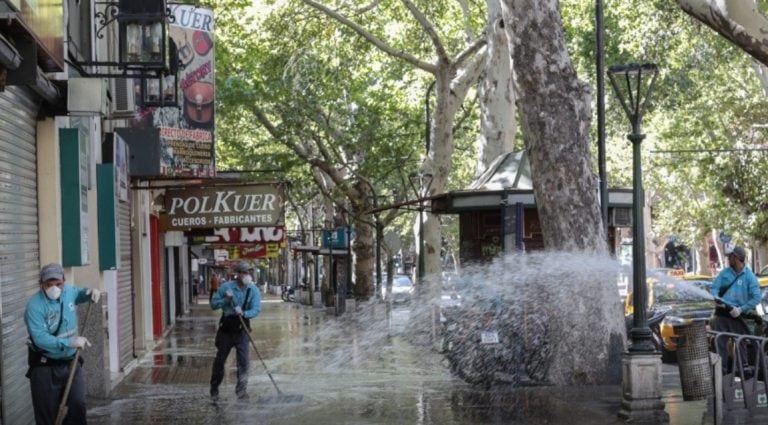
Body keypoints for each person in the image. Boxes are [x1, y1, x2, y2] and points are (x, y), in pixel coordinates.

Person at [25, 263, 103, 425]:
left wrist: (89, 293)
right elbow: (40, 338)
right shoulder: (34, 306)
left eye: (58, 284)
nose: (54, 288)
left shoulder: (68, 291)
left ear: (64, 281)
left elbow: (79, 294)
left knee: (78, 406)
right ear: (42, 284)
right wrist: (70, 342)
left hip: (71, 364)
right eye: (49, 284)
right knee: (47, 416)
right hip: (45, 368)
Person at [209, 261, 261, 401]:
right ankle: (214, 388)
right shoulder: (226, 287)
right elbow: (213, 305)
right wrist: (226, 300)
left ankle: (241, 390)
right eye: (244, 272)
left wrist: (244, 313)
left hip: (242, 330)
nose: (246, 275)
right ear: (237, 274)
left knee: (243, 362)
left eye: (248, 272)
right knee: (220, 361)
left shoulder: (253, 290)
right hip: (226, 329)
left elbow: (256, 309)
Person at [710, 246, 761, 377]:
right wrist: (717, 298)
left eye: (730, 257)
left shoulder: (749, 277)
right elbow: (714, 288)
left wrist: (741, 309)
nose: (728, 259)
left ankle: (744, 370)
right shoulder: (724, 273)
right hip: (722, 313)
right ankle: (720, 372)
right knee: (719, 343)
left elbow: (757, 297)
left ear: (736, 258)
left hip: (737, 314)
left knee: (741, 342)